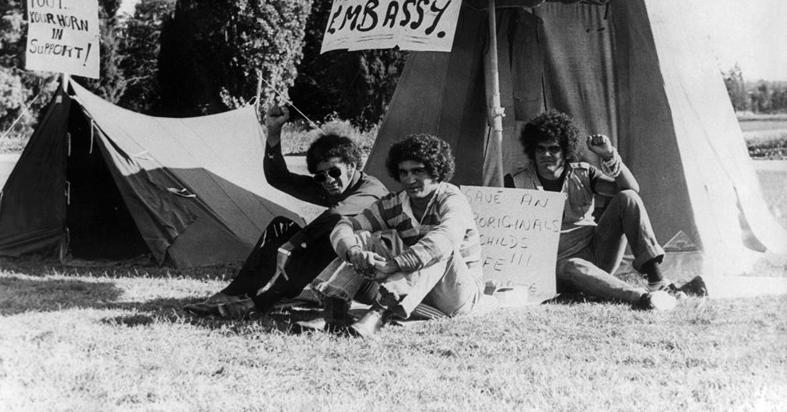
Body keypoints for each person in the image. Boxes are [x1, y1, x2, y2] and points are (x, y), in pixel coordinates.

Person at [184, 105, 387, 318]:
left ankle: (257, 304)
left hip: (371, 277)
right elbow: (278, 178)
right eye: (321, 176)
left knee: (327, 237)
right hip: (341, 268)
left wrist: (290, 246)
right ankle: (234, 293)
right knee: (281, 226)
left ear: (353, 166)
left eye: (335, 172)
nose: (328, 181)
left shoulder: (372, 190)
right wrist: (273, 131)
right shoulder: (332, 184)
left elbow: (335, 215)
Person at [506, 110, 706, 310]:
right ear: (532, 150)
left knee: (627, 198)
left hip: (596, 251)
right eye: (540, 149)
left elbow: (631, 188)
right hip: (557, 266)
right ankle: (644, 299)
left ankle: (656, 280)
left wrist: (610, 155)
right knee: (572, 267)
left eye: (553, 149)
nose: (546, 155)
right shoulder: (515, 182)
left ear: (566, 151)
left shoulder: (584, 173)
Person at [309, 133, 486, 338]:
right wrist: (355, 253)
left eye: (418, 171)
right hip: (414, 288)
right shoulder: (395, 203)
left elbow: (445, 239)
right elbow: (345, 225)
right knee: (363, 239)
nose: (410, 180)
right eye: (403, 173)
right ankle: (333, 313)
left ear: (436, 170)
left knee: (439, 248)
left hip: (457, 294)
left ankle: (378, 315)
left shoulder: (451, 198)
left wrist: (393, 265)